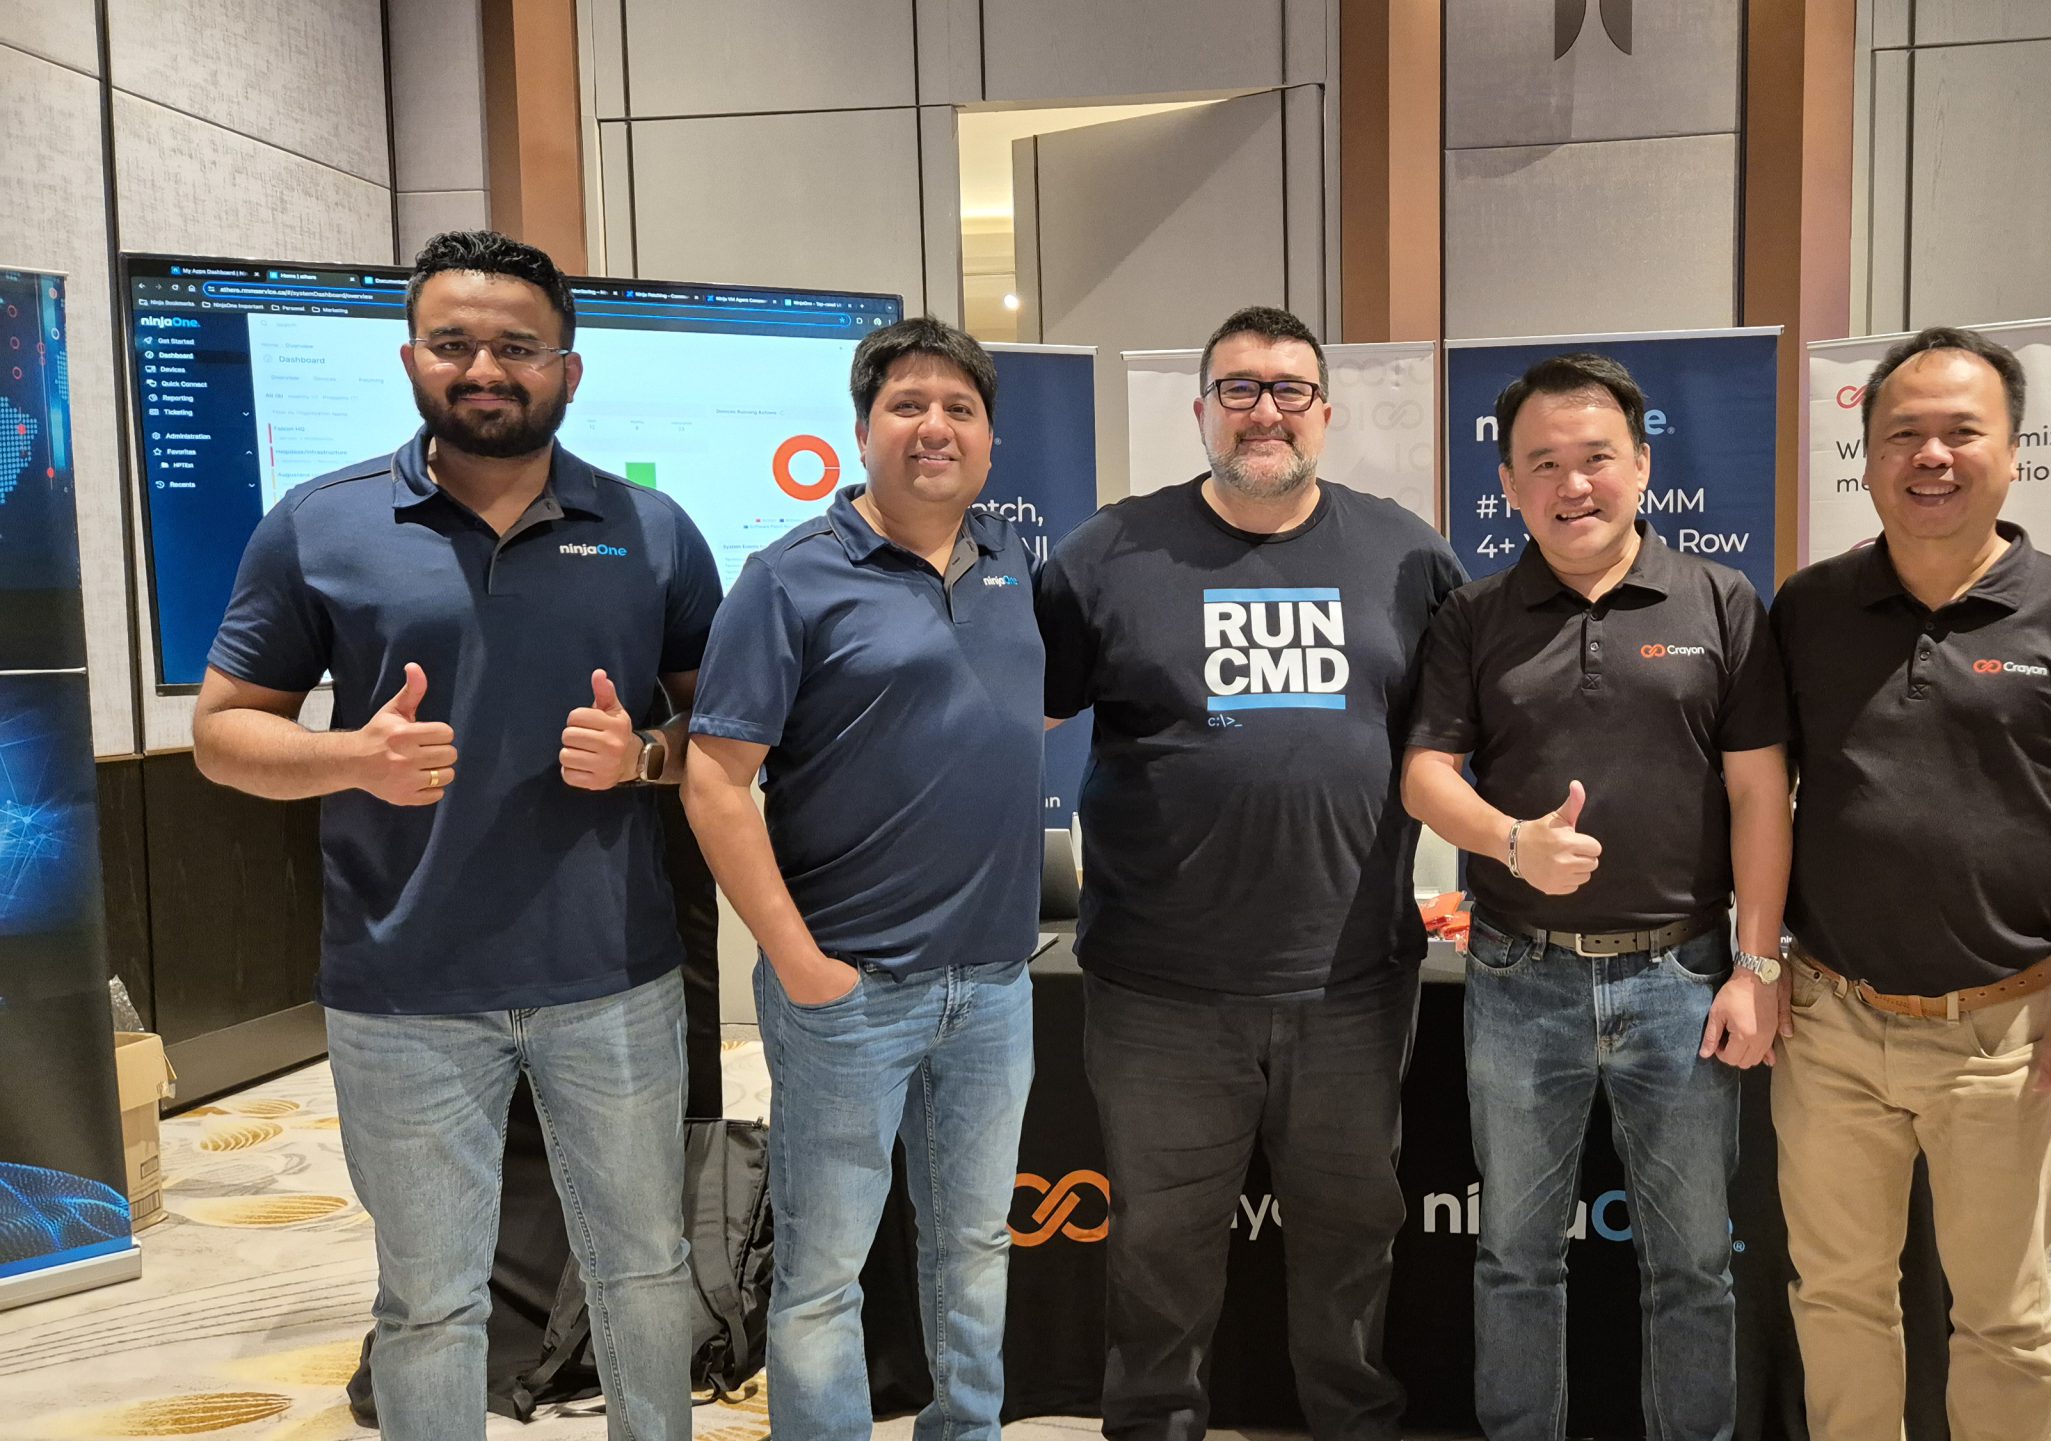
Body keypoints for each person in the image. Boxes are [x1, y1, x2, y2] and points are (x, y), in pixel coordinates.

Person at [192, 230, 715, 1441]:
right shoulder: (319, 525)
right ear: (412, 358)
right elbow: (223, 734)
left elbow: (727, 733)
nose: (485, 368)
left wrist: (644, 755)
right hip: (402, 992)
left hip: (614, 979)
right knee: (428, 1303)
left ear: (567, 370)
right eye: (454, 342)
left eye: (518, 346)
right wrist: (352, 758)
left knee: (645, 1271)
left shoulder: (651, 528)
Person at [1034, 305, 1468, 1441]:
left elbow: (1461, 737)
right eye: (1238, 388)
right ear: (1200, 410)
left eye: (1288, 389)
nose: (1263, 410)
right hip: (1158, 991)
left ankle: (1353, 1424)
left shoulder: (1408, 555)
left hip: (1352, 981)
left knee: (1352, 1238)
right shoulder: (1106, 554)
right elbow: (1012, 714)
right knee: (1159, 1248)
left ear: (1324, 411)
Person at [1770, 326, 2051, 1441]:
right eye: (1903, 434)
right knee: (1837, 1297)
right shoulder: (1809, 608)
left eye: (1962, 431)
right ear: (1867, 456)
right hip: (1831, 1022)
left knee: (2002, 1317)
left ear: (2012, 450)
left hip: (2004, 1035)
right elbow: (1761, 795)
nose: (1932, 456)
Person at [1401, 353, 1793, 1441]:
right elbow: (1425, 773)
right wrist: (1510, 841)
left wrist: (1756, 965)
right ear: (1508, 486)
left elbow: (1761, 795)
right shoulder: (1474, 615)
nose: (1573, 485)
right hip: (1518, 976)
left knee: (1695, 1263)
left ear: (1643, 465)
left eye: (1596, 458)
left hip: (1684, 978)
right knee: (1515, 1257)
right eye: (1543, 464)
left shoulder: (1720, 600)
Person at [680, 317, 1042, 1441]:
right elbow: (714, 779)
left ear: (989, 437)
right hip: (847, 992)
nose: (935, 426)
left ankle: (966, 1430)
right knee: (825, 1270)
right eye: (907, 405)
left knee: (975, 1244)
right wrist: (798, 963)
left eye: (959, 408)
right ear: (861, 429)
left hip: (993, 986)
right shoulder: (788, 577)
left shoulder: (1012, 560)